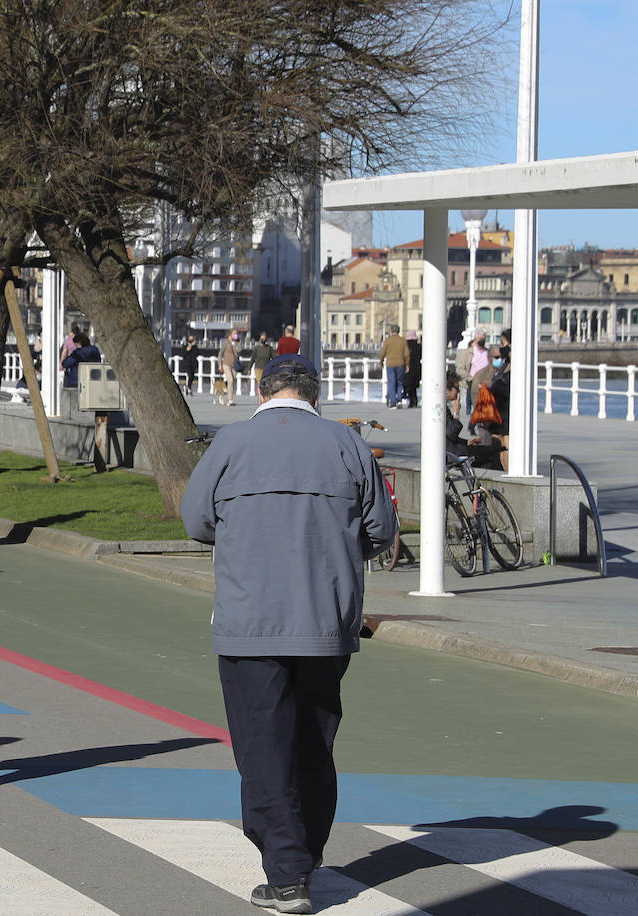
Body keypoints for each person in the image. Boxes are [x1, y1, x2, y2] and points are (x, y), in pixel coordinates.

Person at [180, 353, 397, 915]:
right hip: (326, 618)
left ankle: (286, 874)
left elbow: (196, 521)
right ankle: (305, 853)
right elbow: (381, 529)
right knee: (313, 741)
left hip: (248, 621)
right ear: (314, 395)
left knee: (262, 747)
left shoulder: (229, 444)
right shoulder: (346, 445)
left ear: (261, 392)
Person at [378, 324, 408, 409]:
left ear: (391, 331)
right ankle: (399, 400)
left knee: (391, 383)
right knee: (399, 383)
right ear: (398, 331)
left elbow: (383, 352)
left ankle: (393, 402)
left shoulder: (388, 341)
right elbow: (406, 354)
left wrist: (381, 361)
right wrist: (407, 364)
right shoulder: (403, 341)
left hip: (390, 364)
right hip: (400, 364)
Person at [220, 332, 240, 407]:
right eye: (234, 334)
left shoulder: (236, 343)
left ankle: (224, 394)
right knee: (230, 380)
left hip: (234, 365)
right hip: (226, 364)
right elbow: (220, 353)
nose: (236, 335)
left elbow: (240, 350)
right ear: (230, 335)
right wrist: (220, 364)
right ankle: (230, 400)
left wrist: (237, 343)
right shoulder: (226, 343)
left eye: (236, 334)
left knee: (233, 381)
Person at [402, 330, 422, 409]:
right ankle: (414, 401)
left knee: (407, 385)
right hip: (416, 367)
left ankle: (409, 399)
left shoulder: (405, 346)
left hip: (407, 367)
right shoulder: (418, 346)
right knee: (414, 386)